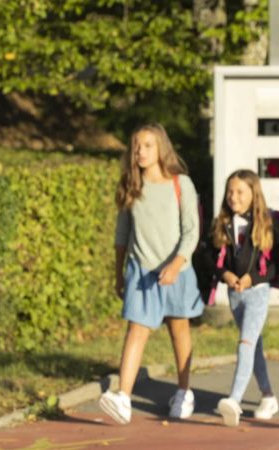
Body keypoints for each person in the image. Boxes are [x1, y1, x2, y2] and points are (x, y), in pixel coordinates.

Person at [99, 123, 204, 424]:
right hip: (140, 269)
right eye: (136, 146)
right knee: (136, 329)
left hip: (177, 271)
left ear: (161, 149)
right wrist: (119, 275)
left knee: (178, 329)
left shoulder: (180, 183)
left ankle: (184, 392)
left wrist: (175, 264)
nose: (140, 152)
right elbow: (122, 235)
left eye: (147, 146)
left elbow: (191, 231)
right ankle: (123, 397)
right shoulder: (130, 185)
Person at [210, 170, 279, 427]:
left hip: (257, 292)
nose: (233, 197)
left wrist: (252, 278)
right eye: (230, 191)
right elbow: (213, 260)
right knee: (254, 347)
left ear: (254, 194)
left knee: (246, 342)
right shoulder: (222, 224)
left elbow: (273, 266)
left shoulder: (266, 224)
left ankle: (235, 399)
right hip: (235, 294)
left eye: (240, 192)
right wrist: (226, 275)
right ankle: (269, 396)